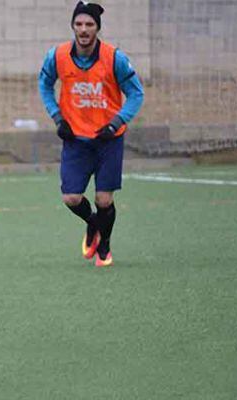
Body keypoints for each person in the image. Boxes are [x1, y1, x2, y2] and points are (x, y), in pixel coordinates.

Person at [38, 1, 144, 267]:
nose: (83, 29)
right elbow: (44, 84)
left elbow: (136, 93)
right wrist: (57, 117)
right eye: (79, 24)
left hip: (108, 139)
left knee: (104, 199)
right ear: (73, 26)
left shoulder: (114, 58)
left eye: (89, 24)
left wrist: (116, 121)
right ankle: (94, 223)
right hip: (75, 139)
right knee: (71, 198)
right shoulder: (58, 56)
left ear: (97, 28)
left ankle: (105, 247)